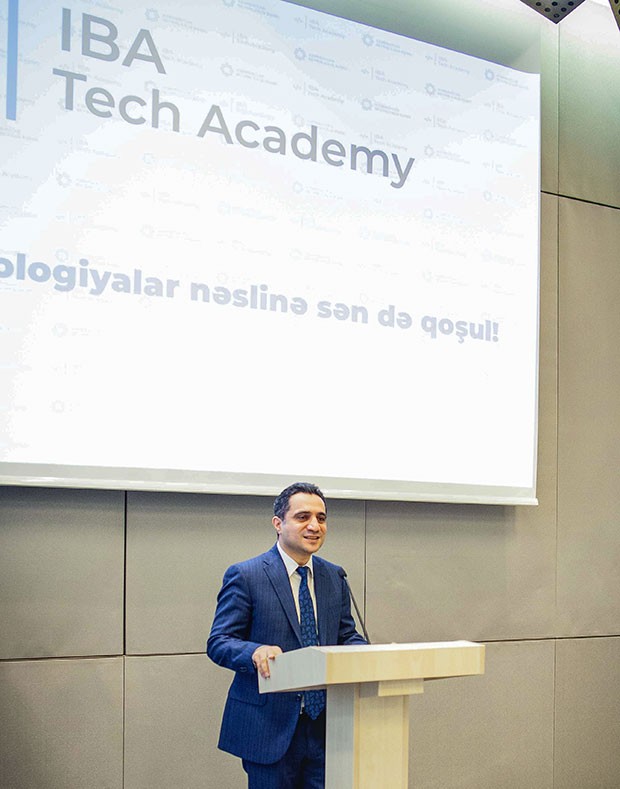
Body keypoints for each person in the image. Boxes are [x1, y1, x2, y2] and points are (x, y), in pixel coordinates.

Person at [207, 481, 367, 788]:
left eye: (321, 518)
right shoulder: (247, 575)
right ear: (278, 524)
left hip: (327, 726)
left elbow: (346, 636)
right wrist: (254, 652)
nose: (314, 526)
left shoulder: (334, 575)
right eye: (303, 517)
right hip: (270, 726)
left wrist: (368, 654)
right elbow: (219, 642)